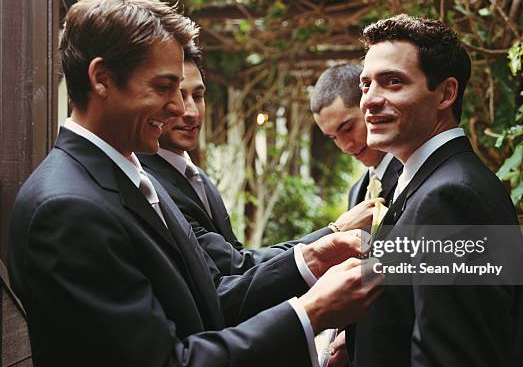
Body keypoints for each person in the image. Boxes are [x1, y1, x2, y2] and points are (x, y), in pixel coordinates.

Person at [7, 0, 383, 367]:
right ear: (102, 79)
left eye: (189, 92)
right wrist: (310, 313)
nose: (179, 109)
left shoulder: (128, 175)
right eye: (165, 87)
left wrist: (311, 260)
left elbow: (210, 297)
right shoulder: (67, 209)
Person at [345, 15, 523, 367]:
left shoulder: (451, 200)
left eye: (392, 82)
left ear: (446, 93)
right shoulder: (426, 184)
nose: (369, 100)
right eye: (366, 84)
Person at [139, 50, 378, 276]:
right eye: (333, 137)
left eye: (198, 96)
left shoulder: (406, 181)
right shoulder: (150, 185)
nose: (345, 146)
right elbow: (234, 266)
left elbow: (407, 269)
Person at [309, 63, 402, 367]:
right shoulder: (357, 191)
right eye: (332, 137)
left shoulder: (413, 180)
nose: (345, 145)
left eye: (347, 128)